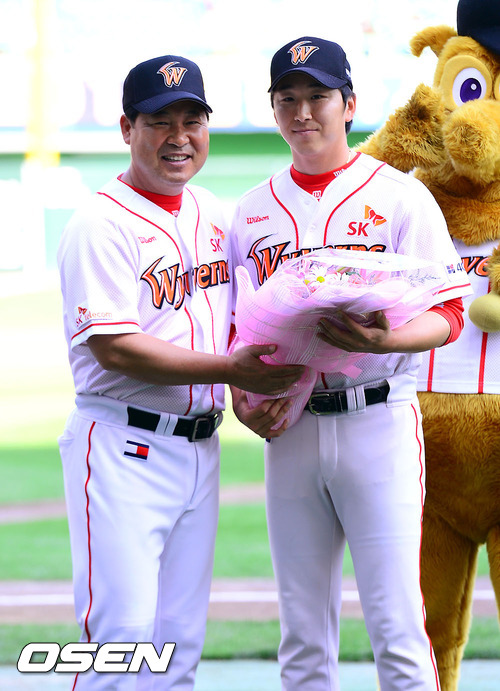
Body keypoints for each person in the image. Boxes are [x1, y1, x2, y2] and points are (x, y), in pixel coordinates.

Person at [230, 37, 472, 690]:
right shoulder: (249, 212)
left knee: (398, 626)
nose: (303, 111)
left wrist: (386, 342)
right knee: (303, 634)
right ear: (273, 109)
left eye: (318, 96)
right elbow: (237, 332)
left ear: (350, 104)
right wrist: (242, 399)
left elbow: (450, 312)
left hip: (377, 419)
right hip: (291, 426)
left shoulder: (400, 197)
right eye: (288, 99)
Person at [57, 53, 303, 691]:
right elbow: (116, 348)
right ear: (126, 128)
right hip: (122, 445)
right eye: (160, 121)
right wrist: (231, 369)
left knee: (178, 648)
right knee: (120, 643)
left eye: (192, 120)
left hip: (199, 446)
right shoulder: (99, 223)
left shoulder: (212, 213)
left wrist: (243, 392)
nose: (179, 137)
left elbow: (234, 323)